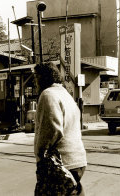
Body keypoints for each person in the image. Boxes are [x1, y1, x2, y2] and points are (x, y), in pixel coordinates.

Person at [33, 62, 87, 195]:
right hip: (78, 161)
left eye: (36, 78)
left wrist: (40, 155)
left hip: (60, 163)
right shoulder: (66, 95)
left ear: (42, 78)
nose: (35, 83)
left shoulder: (48, 95)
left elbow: (52, 130)